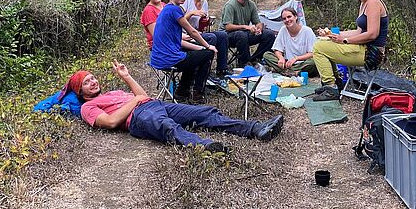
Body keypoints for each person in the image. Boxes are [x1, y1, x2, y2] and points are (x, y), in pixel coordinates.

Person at [37, 61, 284, 152]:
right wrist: (134, 101)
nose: (92, 82)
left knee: (205, 112)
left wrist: (126, 77)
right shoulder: (86, 109)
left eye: (93, 78)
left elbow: (142, 95)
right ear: (79, 91)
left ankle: (255, 129)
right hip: (138, 118)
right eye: (86, 82)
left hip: (154, 104)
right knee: (168, 127)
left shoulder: (113, 91)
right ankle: (207, 146)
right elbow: (111, 123)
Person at [311, 0, 389, 101]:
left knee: (319, 48)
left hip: (371, 54)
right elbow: (359, 32)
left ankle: (331, 87)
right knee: (323, 42)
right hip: (363, 48)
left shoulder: (373, 3)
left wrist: (345, 40)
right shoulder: (363, 3)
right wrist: (332, 34)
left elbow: (372, 34)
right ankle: (337, 83)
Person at [151, 0, 216, 103]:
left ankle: (182, 91)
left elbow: (177, 41)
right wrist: (208, 47)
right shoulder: (174, 10)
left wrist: (200, 48)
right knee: (208, 53)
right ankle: (197, 93)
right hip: (167, 58)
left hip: (158, 57)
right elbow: (192, 31)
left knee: (196, 55)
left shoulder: (166, 9)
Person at [182, 0, 230, 79]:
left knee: (222, 35)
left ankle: (222, 69)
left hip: (198, 32)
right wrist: (192, 13)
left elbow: (201, 24)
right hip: (185, 35)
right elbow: (179, 20)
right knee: (212, 37)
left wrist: (206, 21)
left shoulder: (205, 3)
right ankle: (203, 73)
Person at [220, 0, 276, 67]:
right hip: (228, 36)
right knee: (241, 35)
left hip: (244, 35)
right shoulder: (230, 5)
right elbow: (228, 27)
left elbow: (257, 22)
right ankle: (244, 63)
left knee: (269, 34)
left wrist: (259, 29)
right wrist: (246, 27)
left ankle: (255, 60)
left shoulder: (251, 4)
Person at [262, 7, 318, 76]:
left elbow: (312, 53)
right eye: (284, 19)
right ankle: (293, 72)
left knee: (313, 62)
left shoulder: (307, 31)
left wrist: (296, 58)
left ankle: (283, 70)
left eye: (289, 17)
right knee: (266, 55)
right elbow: (277, 49)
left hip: (302, 62)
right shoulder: (283, 30)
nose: (287, 20)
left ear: (295, 17)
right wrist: (281, 58)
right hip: (287, 62)